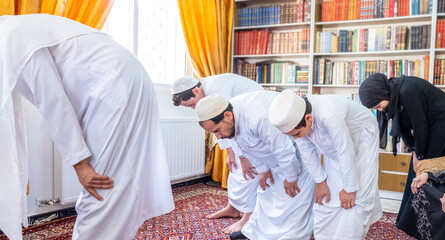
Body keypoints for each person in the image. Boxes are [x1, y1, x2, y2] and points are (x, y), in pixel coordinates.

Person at [0, 14, 174, 240]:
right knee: (112, 186)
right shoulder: (9, 31)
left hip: (113, 85)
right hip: (113, 84)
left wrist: (80, 164)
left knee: (101, 188)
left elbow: (51, 98)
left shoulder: (9, 35)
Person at [195, 92, 314, 240]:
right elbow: (247, 146)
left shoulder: (257, 116)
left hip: (295, 153)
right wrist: (263, 170)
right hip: (273, 156)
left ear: (227, 116)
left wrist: (291, 177)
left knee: (293, 197)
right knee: (265, 189)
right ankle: (255, 232)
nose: (218, 137)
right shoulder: (229, 118)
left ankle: (290, 235)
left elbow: (283, 149)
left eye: (217, 131)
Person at [268, 90, 383, 240]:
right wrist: (320, 182)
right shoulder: (298, 118)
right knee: (328, 196)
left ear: (308, 118)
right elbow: (307, 152)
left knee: (357, 196)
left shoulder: (329, 112)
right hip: (336, 140)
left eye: (296, 134)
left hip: (362, 134)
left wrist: (350, 189)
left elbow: (345, 150)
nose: (295, 139)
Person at [358, 73, 445, 222]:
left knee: (428, 170)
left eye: (379, 106)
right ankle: (409, 220)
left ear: (383, 93)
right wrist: (415, 152)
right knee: (417, 171)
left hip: (443, 125)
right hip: (428, 127)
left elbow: (420, 127)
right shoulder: (393, 95)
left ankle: (432, 220)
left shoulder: (407, 91)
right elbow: (404, 127)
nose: (380, 110)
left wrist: (420, 156)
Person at [171, 74, 263, 233]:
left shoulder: (216, 89)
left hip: (255, 118)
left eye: (192, 104)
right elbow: (219, 128)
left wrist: (242, 156)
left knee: (249, 170)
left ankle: (248, 217)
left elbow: (228, 122)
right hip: (238, 124)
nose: (194, 108)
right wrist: (230, 153)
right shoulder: (205, 95)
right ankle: (233, 207)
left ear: (195, 90)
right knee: (234, 167)